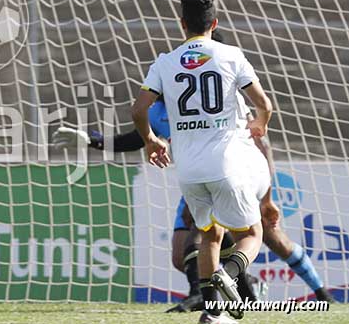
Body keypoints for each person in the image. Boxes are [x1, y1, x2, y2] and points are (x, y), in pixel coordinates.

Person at [54, 30, 334, 310]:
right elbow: (133, 136)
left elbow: (261, 141)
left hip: (235, 174)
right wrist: (93, 140)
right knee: (186, 251)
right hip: (199, 177)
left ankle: (313, 294)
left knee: (259, 238)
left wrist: (265, 193)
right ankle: (232, 289)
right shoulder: (169, 104)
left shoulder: (228, 98)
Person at [132, 0, 274, 323]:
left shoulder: (165, 61)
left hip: (188, 170)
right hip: (226, 163)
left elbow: (138, 109)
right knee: (252, 235)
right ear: (216, 22)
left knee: (210, 236)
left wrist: (151, 141)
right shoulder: (230, 55)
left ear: (181, 23)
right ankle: (229, 273)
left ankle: (212, 313)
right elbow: (264, 104)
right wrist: (260, 123)